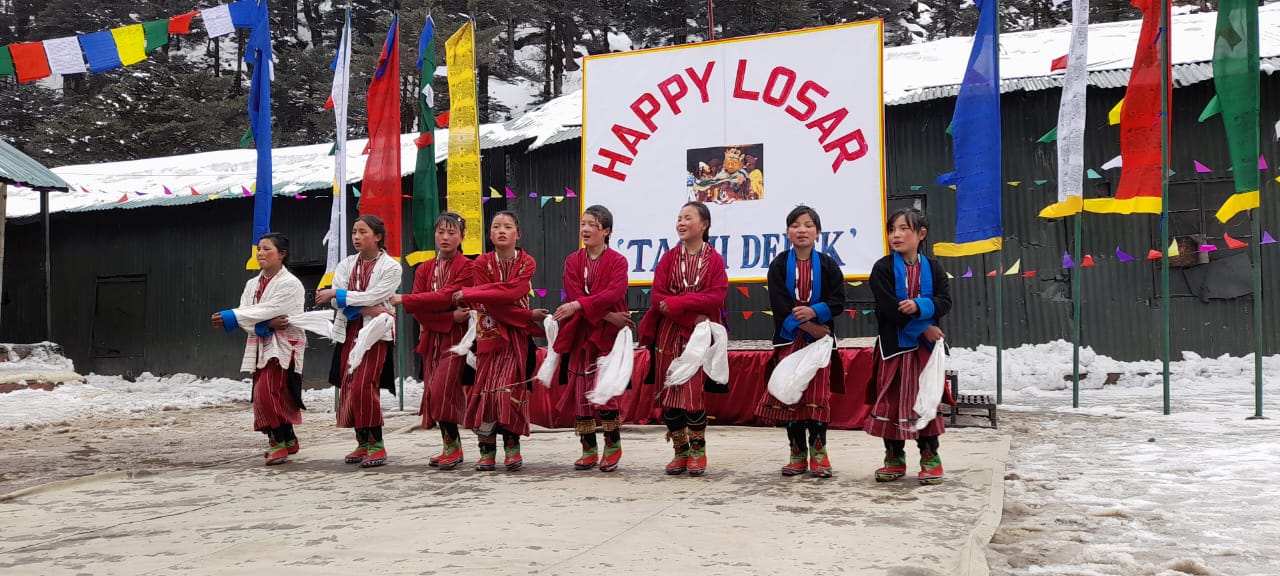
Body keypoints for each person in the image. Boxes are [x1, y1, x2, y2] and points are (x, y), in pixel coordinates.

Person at [638, 201, 728, 476]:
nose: (681, 223)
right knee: (669, 395)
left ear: (704, 224)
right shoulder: (668, 259)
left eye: (687, 218)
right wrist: (689, 313)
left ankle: (698, 451)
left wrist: (678, 303)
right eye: (678, 218)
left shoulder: (714, 260)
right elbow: (658, 298)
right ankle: (680, 450)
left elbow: (716, 295)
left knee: (691, 395)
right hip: (669, 333)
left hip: (699, 337)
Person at [755, 206, 845, 478]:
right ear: (787, 232)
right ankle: (796, 454)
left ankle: (819, 454)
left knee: (817, 399)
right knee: (789, 396)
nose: (802, 230)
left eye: (808, 225)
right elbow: (781, 306)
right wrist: (808, 325)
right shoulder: (779, 264)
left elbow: (838, 300)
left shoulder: (828, 264)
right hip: (789, 340)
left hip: (820, 345)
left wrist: (817, 313)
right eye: (795, 225)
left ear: (818, 232)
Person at [454, 211, 547, 472]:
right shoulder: (481, 264)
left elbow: (514, 292)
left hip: (516, 339)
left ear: (518, 233)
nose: (502, 231)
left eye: (508, 226)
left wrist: (473, 293)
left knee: (508, 391)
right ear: (490, 234)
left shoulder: (527, 262)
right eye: (496, 227)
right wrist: (526, 314)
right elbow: (492, 306)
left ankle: (512, 447)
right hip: (489, 334)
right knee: (486, 393)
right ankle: (486, 450)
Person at [867, 208, 951, 485]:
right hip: (894, 348)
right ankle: (894, 458)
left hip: (924, 353)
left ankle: (930, 458)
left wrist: (920, 305)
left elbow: (944, 301)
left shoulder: (935, 268)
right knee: (892, 402)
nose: (897, 235)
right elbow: (887, 309)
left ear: (921, 234)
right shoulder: (882, 269)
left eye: (904, 229)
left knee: (925, 400)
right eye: (892, 229)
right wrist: (923, 326)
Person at [211, 233, 307, 466]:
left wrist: (232, 316)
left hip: (284, 345)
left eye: (267, 249)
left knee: (266, 392)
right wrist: (265, 323)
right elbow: (250, 314)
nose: (261, 253)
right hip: (259, 342)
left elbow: (267, 309)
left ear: (282, 254)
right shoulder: (251, 284)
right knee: (274, 392)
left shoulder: (290, 283)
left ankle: (277, 443)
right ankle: (289, 438)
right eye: (259, 249)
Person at [316, 215, 402, 468]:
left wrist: (341, 295)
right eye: (354, 232)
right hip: (349, 330)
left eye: (362, 232)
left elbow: (376, 294)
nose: (356, 237)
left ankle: (377, 442)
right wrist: (368, 308)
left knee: (365, 384)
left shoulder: (391, 267)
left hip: (375, 333)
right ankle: (362, 440)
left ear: (377, 237)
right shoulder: (346, 265)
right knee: (350, 383)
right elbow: (335, 301)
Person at [552, 205, 633, 472]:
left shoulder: (618, 261)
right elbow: (573, 293)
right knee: (581, 393)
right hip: (581, 333)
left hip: (607, 337)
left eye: (592, 225)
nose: (585, 230)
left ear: (606, 231)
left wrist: (580, 308)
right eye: (583, 224)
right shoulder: (572, 261)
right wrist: (608, 316)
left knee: (605, 390)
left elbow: (613, 292)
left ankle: (613, 445)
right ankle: (588, 447)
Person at [391, 213, 475, 470]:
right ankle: (451, 447)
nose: (446, 237)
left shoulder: (469, 268)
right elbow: (419, 310)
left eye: (452, 233)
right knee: (434, 394)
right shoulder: (424, 269)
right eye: (441, 232)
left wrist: (408, 299)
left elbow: (443, 296)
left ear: (462, 237)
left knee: (441, 390)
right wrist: (449, 316)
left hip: (459, 340)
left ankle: (457, 445)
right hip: (432, 338)